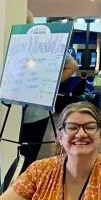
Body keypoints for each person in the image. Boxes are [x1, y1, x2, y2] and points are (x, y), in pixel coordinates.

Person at [19, 11, 80, 173]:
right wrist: (49, 83)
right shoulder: (47, 43)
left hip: (29, 110)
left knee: (21, 156)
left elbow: (73, 66)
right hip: (39, 109)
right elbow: (73, 66)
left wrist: (49, 82)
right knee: (28, 156)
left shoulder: (17, 44)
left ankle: (19, 189)